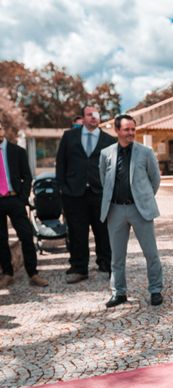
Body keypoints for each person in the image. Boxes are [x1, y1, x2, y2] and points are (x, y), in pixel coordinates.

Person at [99, 114, 163, 308]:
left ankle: (155, 290)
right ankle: (118, 293)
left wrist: (144, 198)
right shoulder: (106, 153)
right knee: (117, 256)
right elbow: (104, 180)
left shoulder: (146, 152)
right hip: (115, 210)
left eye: (133, 129)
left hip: (140, 210)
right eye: (126, 129)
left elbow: (155, 179)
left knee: (151, 253)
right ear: (117, 131)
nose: (131, 133)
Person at [55, 106, 116, 283]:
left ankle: (106, 264)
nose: (94, 117)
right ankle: (79, 268)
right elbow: (61, 164)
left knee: (103, 231)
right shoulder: (69, 137)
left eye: (96, 115)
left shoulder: (108, 139)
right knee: (77, 232)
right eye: (90, 115)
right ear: (83, 117)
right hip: (74, 194)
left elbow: (113, 168)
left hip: (99, 193)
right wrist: (63, 189)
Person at [0, 121, 48, 288]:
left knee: (26, 235)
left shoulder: (17, 151)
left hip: (15, 199)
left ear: (2, 129)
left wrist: (22, 198)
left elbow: (27, 176)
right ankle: (7, 273)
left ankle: (33, 273)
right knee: (1, 239)